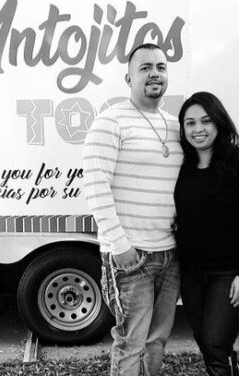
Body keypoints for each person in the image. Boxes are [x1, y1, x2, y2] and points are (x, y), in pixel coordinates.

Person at [83, 43, 183, 376]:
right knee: (130, 344)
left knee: (157, 342)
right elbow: (95, 187)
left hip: (170, 255)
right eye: (145, 68)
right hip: (132, 257)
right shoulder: (110, 122)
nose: (155, 73)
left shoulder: (175, 126)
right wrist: (121, 246)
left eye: (161, 66)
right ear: (128, 77)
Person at [174, 91, 239, 376]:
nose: (198, 129)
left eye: (205, 121)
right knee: (205, 339)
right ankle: (230, 366)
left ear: (219, 122)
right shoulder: (185, 168)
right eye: (190, 123)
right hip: (192, 273)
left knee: (216, 342)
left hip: (230, 273)